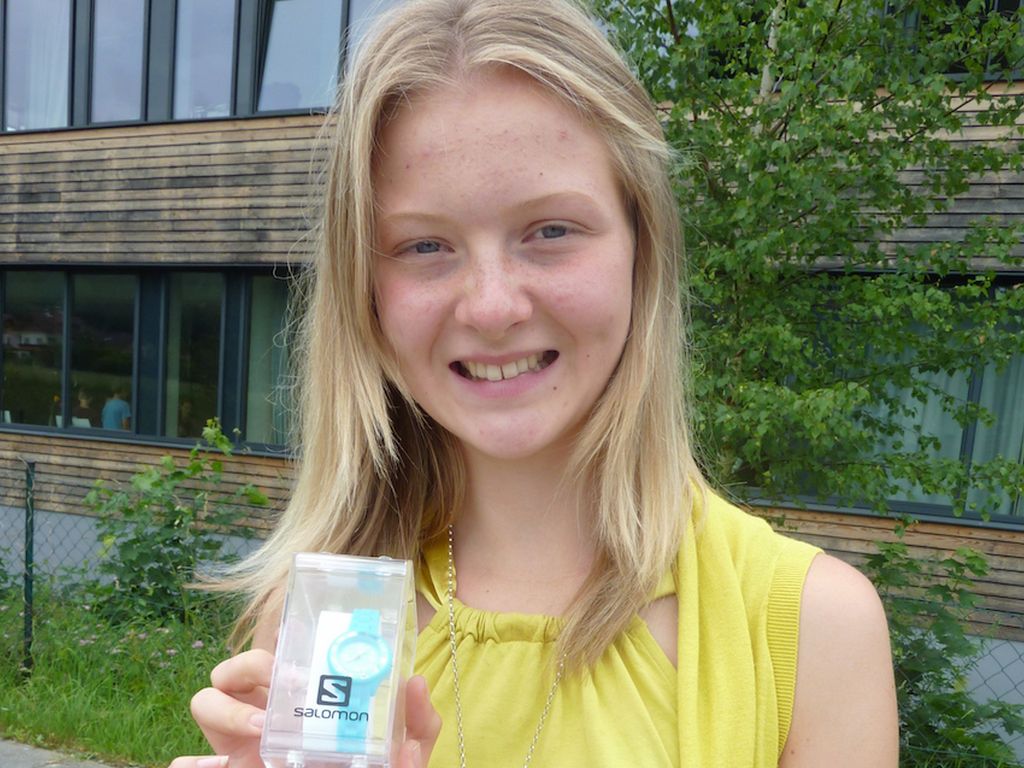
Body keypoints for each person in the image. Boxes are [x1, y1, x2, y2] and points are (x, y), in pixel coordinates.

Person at [170, 1, 899, 767]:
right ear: (366, 292)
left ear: (641, 250)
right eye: (424, 245)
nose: (491, 308)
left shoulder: (811, 632)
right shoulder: (321, 622)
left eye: (550, 231)